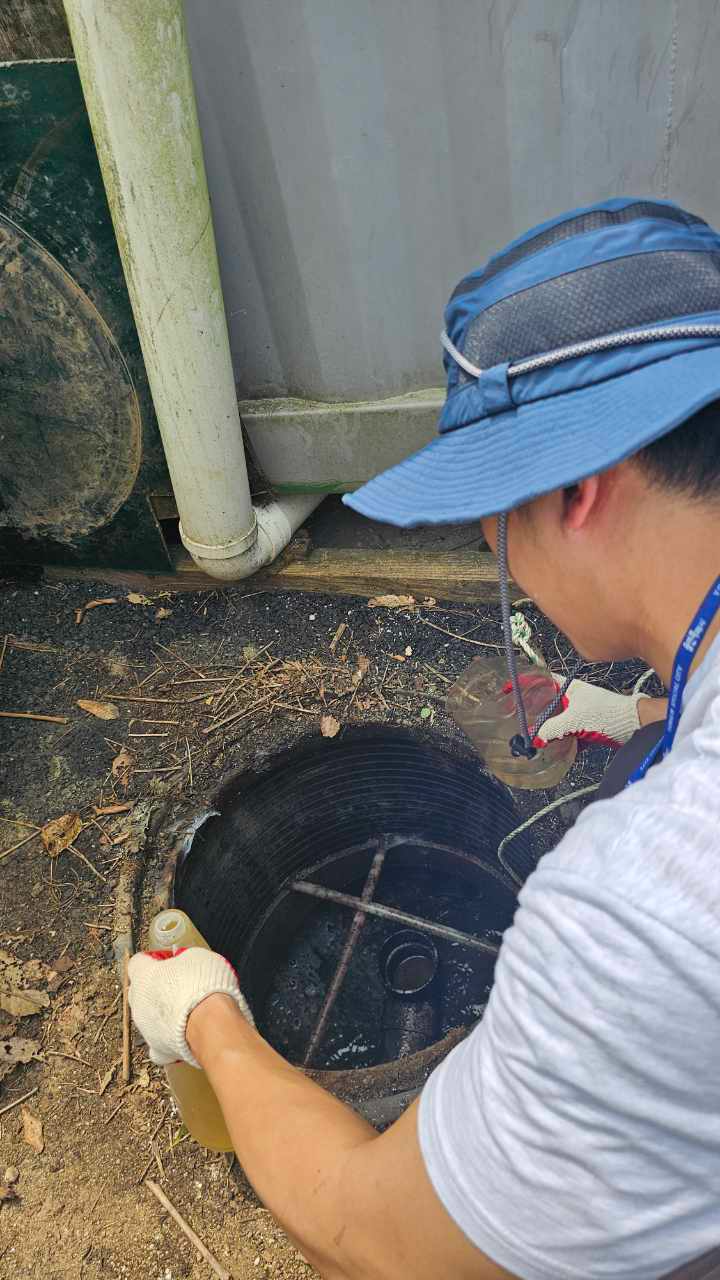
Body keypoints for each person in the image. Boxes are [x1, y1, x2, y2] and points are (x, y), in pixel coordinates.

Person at [129, 198, 720, 1279]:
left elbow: (377, 1230)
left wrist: (207, 1014)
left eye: (489, 517)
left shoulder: (634, 916)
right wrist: (646, 716)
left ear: (578, 490)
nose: (495, 552)